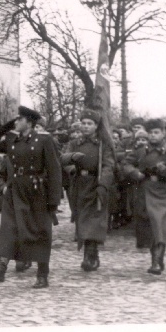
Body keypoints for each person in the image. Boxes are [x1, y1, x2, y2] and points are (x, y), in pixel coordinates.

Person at [0, 106, 62, 289]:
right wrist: (4, 126)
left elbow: (54, 170)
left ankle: (42, 274)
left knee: (40, 231)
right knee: (9, 228)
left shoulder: (44, 140)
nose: (16, 122)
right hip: (15, 190)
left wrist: (53, 200)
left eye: (19, 119)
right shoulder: (12, 139)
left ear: (29, 122)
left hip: (36, 191)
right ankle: (0, 268)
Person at [120, 118, 166, 275]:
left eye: (156, 132)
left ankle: (157, 260)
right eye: (150, 132)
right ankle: (155, 258)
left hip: (165, 192)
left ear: (163, 133)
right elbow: (125, 164)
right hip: (145, 190)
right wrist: (135, 173)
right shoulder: (140, 150)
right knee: (150, 225)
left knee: (160, 224)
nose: (153, 135)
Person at [59, 108, 115, 272]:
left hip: (95, 184)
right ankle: (91, 254)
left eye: (89, 124)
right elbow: (62, 159)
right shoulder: (75, 143)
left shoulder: (103, 145)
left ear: (97, 126)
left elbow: (108, 166)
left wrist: (103, 185)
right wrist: (72, 160)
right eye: (83, 123)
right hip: (78, 185)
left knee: (94, 221)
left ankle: (90, 256)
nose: (85, 126)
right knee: (82, 221)